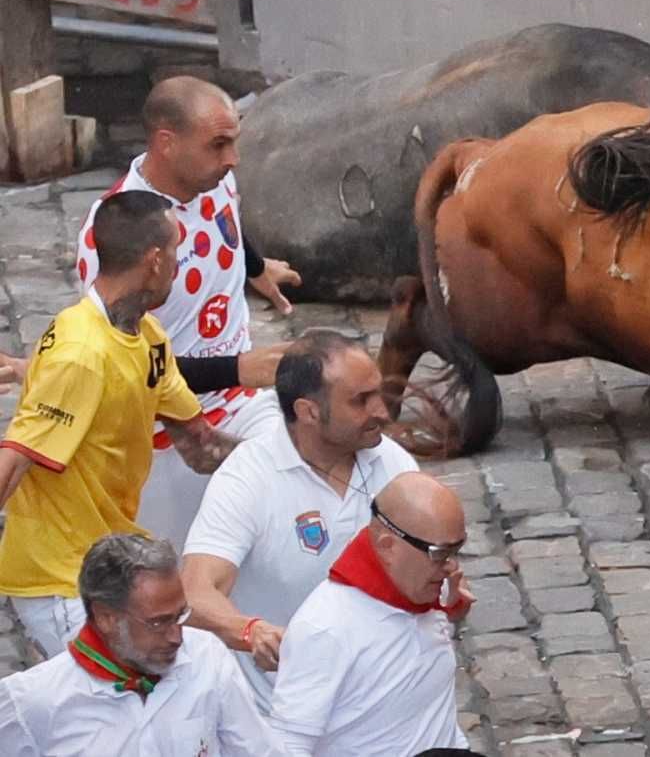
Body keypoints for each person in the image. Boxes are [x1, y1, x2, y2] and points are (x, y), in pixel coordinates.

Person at [0, 191, 242, 657]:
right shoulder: (82, 355)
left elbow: (199, 445)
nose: (179, 261)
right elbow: (12, 466)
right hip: (60, 585)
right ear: (154, 260)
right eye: (176, 248)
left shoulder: (148, 338)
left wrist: (293, 460)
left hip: (107, 570)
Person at [73, 75, 301, 546]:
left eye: (234, 142)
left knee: (289, 511)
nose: (232, 159)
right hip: (165, 442)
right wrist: (239, 367)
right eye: (218, 145)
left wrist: (255, 268)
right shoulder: (116, 239)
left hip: (240, 406)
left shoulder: (214, 180)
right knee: (180, 582)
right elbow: (131, 370)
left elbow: (227, 220)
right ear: (166, 143)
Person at [181, 330, 419, 711]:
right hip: (284, 710)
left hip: (382, 700)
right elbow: (195, 592)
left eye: (378, 393)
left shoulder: (393, 463)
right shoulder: (247, 478)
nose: (382, 412)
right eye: (361, 401)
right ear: (308, 411)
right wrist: (250, 631)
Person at [0, 534, 285, 756]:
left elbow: (257, 750)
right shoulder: (33, 701)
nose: (177, 636)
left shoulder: (206, 656)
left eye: (180, 615)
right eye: (158, 623)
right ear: (107, 618)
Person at [269, 472, 475, 755]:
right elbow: (288, 747)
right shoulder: (325, 629)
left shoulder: (426, 587)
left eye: (457, 550)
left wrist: (453, 612)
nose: (452, 567)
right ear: (387, 547)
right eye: (440, 553)